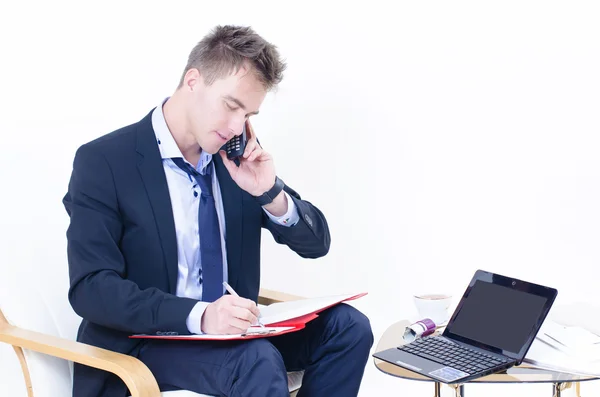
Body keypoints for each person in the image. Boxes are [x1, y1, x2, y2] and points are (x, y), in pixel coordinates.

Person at [63, 25, 373, 397]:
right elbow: (91, 288)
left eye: (249, 114)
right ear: (193, 81)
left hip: (235, 336)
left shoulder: (235, 162)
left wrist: (268, 192)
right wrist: (201, 316)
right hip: (150, 342)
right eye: (231, 106)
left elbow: (315, 242)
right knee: (255, 360)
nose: (236, 127)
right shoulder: (105, 161)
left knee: (349, 328)